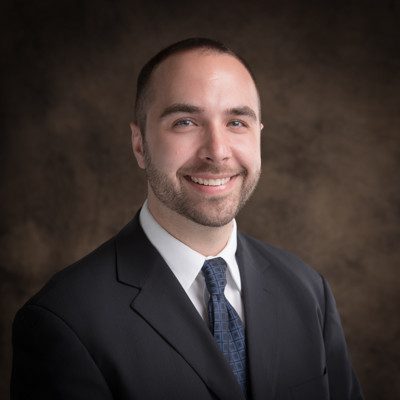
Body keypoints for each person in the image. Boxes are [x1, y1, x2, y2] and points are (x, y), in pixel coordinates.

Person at [11, 38, 363, 400]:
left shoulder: (308, 290)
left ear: (258, 136)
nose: (217, 151)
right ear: (139, 145)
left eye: (236, 122)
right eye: (185, 122)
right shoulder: (63, 320)